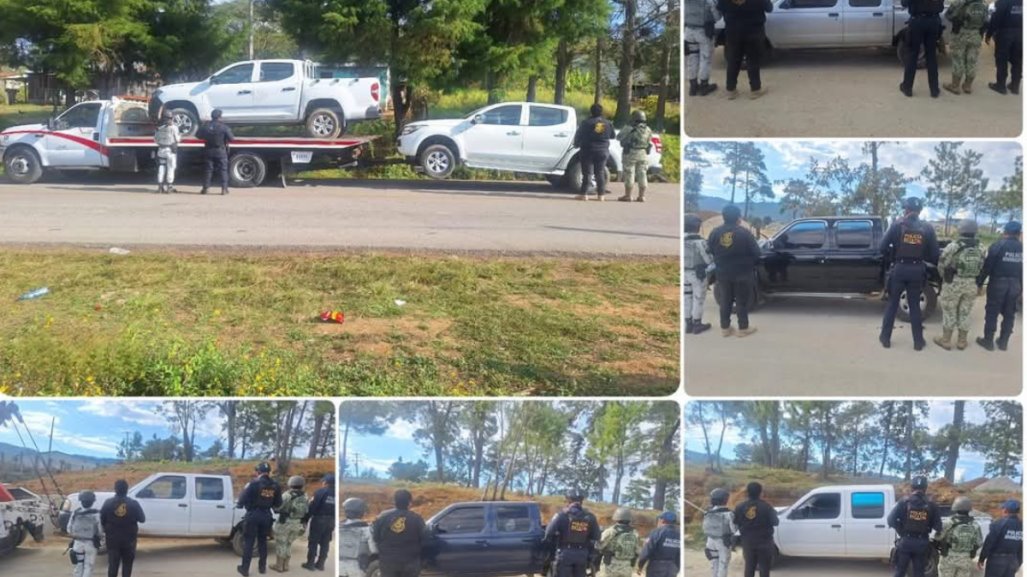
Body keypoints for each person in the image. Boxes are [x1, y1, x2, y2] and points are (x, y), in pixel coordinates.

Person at [879, 197, 940, 350]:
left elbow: (882, 248)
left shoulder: (896, 225)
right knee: (914, 306)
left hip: (899, 269)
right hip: (917, 270)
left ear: (905, 209)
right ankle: (918, 342)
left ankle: (885, 339)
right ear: (919, 211)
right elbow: (935, 254)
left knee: (892, 304)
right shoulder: (927, 228)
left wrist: (893, 253)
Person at [708, 204, 761, 337]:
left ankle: (725, 328)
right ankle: (743, 328)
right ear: (739, 218)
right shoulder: (745, 233)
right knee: (741, 301)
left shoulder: (715, 232)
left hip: (723, 273)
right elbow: (757, 253)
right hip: (743, 273)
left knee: (725, 300)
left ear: (723, 217)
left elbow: (710, 251)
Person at [933, 219, 985, 350]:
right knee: (965, 312)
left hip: (953, 283)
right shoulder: (982, 247)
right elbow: (982, 265)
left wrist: (944, 278)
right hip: (971, 283)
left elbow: (941, 264)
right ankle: (962, 342)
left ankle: (946, 340)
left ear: (961, 230)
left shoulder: (953, 246)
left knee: (949, 311)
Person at [976, 221, 1023, 351]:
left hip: (998, 284)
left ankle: (988, 341)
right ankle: (1003, 342)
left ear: (1005, 232)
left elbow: (987, 267)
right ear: (1019, 233)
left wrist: (979, 283)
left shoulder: (998, 246)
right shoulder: (1022, 248)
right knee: (1009, 314)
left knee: (992, 312)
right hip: (1015, 285)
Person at [716, 0, 773, 100]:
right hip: (754, 31)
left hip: (733, 31)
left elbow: (720, 8)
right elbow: (769, 8)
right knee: (753, 60)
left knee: (733, 60)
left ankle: (731, 90)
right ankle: (755, 90)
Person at [887, 476, 942, 577]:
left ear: (912, 487)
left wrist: (901, 531)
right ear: (925, 488)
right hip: (922, 543)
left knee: (900, 572)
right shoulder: (931, 505)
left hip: (905, 541)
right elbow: (938, 527)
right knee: (919, 573)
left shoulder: (903, 502)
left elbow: (890, 520)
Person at [236, 462, 283, 577]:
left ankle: (244, 569)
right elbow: (278, 503)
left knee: (249, 542)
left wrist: (240, 505)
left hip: (253, 515)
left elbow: (242, 499)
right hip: (266, 516)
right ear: (269, 472)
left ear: (258, 472)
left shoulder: (253, 483)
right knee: (263, 542)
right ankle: (262, 568)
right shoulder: (275, 485)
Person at [544, 490, 602, 577]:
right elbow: (597, 536)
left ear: (568, 501)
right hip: (582, 555)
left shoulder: (561, 515)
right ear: (581, 502)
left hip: (564, 554)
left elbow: (548, 533)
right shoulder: (590, 517)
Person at [372, 489, 427, 577]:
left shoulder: (382, 518)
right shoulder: (417, 519)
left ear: (394, 502)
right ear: (409, 502)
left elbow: (375, 538)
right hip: (410, 562)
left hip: (388, 562)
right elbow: (424, 539)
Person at [100, 480, 146, 577]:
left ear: (115, 489)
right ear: (127, 490)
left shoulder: (108, 503)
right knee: (127, 566)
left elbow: (101, 519)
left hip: (112, 539)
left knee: (113, 565)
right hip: (129, 540)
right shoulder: (134, 503)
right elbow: (142, 519)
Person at [942, 0, 990, 94]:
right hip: (976, 34)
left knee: (958, 59)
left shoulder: (959, 3)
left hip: (960, 34)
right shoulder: (984, 4)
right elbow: (986, 21)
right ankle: (967, 86)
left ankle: (955, 86)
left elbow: (947, 15)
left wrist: (957, 21)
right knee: (972, 60)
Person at [899, 0, 946, 97]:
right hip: (933, 21)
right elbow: (941, 7)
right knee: (931, 56)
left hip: (917, 21)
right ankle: (934, 90)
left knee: (912, 55)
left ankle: (907, 88)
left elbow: (904, 3)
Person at [732, 482, 778, 577]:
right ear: (761, 493)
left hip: (748, 542)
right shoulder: (767, 507)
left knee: (749, 567)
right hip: (764, 542)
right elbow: (775, 522)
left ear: (747, 492)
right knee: (764, 568)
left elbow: (735, 522)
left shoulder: (739, 507)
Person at [572, 104, 614, 201]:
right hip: (603, 151)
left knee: (587, 173)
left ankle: (584, 194)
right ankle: (601, 195)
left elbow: (578, 135)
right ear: (601, 112)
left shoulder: (586, 122)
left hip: (588, 150)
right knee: (600, 172)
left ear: (591, 112)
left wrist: (577, 144)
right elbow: (612, 136)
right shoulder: (608, 123)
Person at [936, 496, 982, 577]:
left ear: (955, 507)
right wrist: (971, 552)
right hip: (965, 559)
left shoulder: (948, 522)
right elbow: (979, 542)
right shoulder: (975, 524)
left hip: (948, 558)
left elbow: (937, 537)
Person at [684, 214, 714, 335]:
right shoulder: (700, 242)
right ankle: (697, 324)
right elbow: (709, 260)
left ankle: (688, 324)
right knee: (698, 299)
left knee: (687, 297)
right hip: (698, 274)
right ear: (697, 227)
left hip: (684, 273)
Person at [273, 475, 309, 572]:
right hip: (297, 523)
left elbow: (278, 507)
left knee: (281, 543)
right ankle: (286, 565)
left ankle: (279, 566)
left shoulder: (287, 495)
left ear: (290, 484)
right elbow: (306, 510)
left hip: (285, 523)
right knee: (289, 544)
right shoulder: (305, 496)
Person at [684, 0, 721, 96]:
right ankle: (704, 85)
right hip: (703, 31)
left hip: (688, 31)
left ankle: (693, 86)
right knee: (705, 58)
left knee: (692, 58)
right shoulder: (708, 1)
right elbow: (717, 17)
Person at [978, 499, 1023, 576]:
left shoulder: (999, 524)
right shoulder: (1021, 525)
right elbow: (1022, 547)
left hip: (996, 561)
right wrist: (1018, 562)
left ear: (1005, 510)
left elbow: (989, 542)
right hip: (1012, 561)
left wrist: (982, 558)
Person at [986, 0, 1023, 94]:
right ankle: (1015, 86)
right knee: (1017, 60)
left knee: (1001, 59)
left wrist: (988, 34)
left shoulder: (1003, 1)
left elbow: (996, 18)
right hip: (1021, 33)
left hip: (1005, 33)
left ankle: (1000, 85)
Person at [616, 111, 652, 203]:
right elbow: (649, 141)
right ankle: (642, 196)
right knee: (642, 174)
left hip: (630, 153)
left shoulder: (629, 128)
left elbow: (618, 137)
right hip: (643, 153)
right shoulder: (648, 129)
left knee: (629, 173)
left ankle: (628, 195)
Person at [196, 108, 234, 195]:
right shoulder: (224, 127)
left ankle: (206, 189)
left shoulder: (206, 126)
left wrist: (203, 125)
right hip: (220, 151)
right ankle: (224, 189)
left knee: (208, 170)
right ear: (220, 117)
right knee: (223, 170)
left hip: (208, 150)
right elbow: (231, 139)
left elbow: (198, 135)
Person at [302, 474, 335, 571]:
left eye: (323, 481)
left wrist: (305, 519)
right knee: (325, 542)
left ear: (326, 483)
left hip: (319, 519)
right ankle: (321, 564)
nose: (322, 483)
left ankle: (310, 563)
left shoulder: (321, 492)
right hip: (331, 521)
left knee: (313, 542)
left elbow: (313, 506)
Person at [69, 490, 103, 577]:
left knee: (79, 565)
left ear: (81, 501)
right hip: (90, 544)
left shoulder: (75, 513)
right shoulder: (96, 514)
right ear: (92, 502)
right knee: (88, 566)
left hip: (77, 544)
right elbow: (100, 531)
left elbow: (69, 529)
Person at [597, 508, 639, 577]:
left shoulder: (611, 531)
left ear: (616, 517)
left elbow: (599, 545)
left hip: (610, 565)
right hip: (627, 566)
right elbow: (638, 550)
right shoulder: (634, 532)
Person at [703, 489, 735, 577]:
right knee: (723, 566)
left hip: (710, 541)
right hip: (723, 542)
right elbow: (734, 530)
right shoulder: (729, 514)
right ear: (725, 499)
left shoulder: (707, 512)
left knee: (714, 565)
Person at [637, 511, 680, 577]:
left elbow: (647, 551)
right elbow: (679, 555)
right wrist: (677, 568)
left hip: (656, 568)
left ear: (662, 520)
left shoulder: (657, 532)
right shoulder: (679, 534)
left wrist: (640, 566)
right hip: (672, 568)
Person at [339, 498, 374, 577]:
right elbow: (374, 549)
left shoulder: (339, 527)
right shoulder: (367, 530)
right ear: (362, 513)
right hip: (356, 569)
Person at [154, 111, 180, 194]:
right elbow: (177, 139)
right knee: (171, 168)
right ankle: (169, 186)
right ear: (171, 118)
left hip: (161, 150)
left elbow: (155, 140)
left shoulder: (158, 128)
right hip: (170, 151)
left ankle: (160, 187)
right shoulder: (173, 127)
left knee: (161, 168)